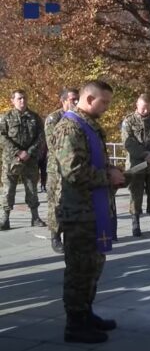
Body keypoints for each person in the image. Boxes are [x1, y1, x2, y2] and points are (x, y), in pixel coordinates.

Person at [51, 80, 124, 343]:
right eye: (104, 102)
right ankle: (75, 324)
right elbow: (73, 172)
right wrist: (108, 175)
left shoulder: (89, 125)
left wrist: (113, 173)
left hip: (93, 209)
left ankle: (86, 312)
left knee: (93, 266)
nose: (107, 107)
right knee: (79, 270)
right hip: (78, 212)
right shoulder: (69, 128)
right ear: (90, 99)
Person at [121, 94, 150, 236]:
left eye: (148, 108)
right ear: (137, 105)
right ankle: (136, 224)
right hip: (137, 164)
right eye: (143, 108)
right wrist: (144, 154)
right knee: (136, 194)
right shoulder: (129, 121)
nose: (145, 111)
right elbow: (127, 142)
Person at [0, 89, 46, 230]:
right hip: (11, 160)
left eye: (24, 98)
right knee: (8, 190)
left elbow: (41, 137)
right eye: (19, 98)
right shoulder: (6, 117)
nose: (22, 101)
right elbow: (2, 137)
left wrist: (29, 152)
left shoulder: (34, 117)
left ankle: (35, 217)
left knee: (32, 189)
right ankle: (5, 219)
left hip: (30, 160)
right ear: (12, 100)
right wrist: (18, 152)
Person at [45, 87, 79, 253]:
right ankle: (55, 236)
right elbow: (53, 144)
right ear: (64, 100)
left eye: (77, 98)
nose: (75, 101)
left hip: (73, 168)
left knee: (71, 201)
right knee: (55, 203)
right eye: (72, 99)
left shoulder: (78, 118)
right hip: (56, 169)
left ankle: (70, 236)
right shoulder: (54, 118)